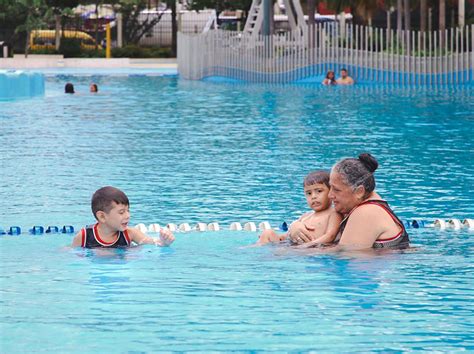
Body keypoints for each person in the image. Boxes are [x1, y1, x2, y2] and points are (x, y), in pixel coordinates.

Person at [289, 153, 410, 250]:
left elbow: (345, 255)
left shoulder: (367, 212)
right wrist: (295, 226)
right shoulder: (361, 204)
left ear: (359, 191)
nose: (330, 195)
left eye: (336, 190)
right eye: (330, 187)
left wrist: (292, 252)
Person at [256, 171, 342, 246]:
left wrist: (308, 246)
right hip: (292, 246)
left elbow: (330, 236)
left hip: (311, 248)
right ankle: (257, 249)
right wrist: (279, 238)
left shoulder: (333, 213)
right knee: (268, 232)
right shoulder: (306, 216)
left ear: (331, 192)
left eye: (319, 191)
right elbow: (288, 235)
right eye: (309, 193)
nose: (313, 197)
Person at [71, 186, 175, 248]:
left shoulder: (130, 233)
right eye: (121, 212)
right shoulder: (84, 237)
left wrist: (164, 242)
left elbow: (151, 242)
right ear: (102, 216)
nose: (128, 215)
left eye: (128, 211)